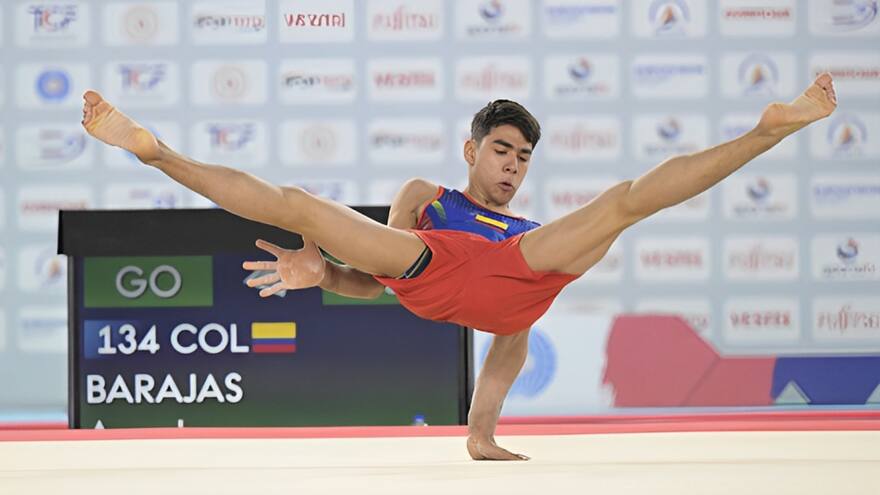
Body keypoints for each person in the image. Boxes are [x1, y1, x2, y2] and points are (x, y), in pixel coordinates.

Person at [81, 73, 837, 461]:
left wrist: (482, 432)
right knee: (301, 205)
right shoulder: (427, 197)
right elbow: (383, 280)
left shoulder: (534, 237)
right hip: (432, 266)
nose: (512, 165)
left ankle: (765, 132)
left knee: (622, 203)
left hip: (515, 279)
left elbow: (511, 339)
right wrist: (326, 275)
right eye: (502, 150)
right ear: (472, 150)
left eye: (524, 157)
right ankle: (158, 152)